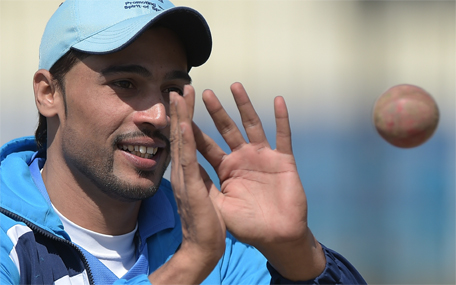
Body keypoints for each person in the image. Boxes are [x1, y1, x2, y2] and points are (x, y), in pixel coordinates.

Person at [0, 0, 366, 284]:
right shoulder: (204, 246)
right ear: (49, 92)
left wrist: (296, 252)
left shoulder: (216, 243)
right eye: (125, 83)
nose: (158, 115)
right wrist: (190, 262)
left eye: (172, 89)